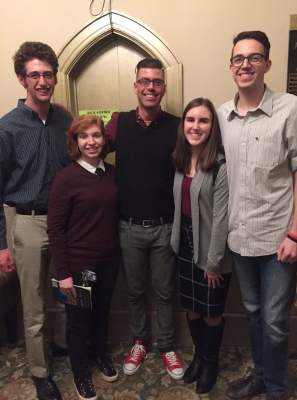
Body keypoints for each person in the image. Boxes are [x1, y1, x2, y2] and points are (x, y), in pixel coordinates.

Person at [217, 31, 297, 400]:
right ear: (231, 66)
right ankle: (261, 376)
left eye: (254, 58)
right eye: (238, 58)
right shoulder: (222, 115)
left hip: (279, 239)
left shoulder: (291, 108)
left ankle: (278, 390)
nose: (245, 64)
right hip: (240, 237)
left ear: (267, 64)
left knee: (275, 323)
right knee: (253, 313)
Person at [0, 41, 73, 400]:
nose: (42, 81)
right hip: (27, 225)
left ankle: (60, 347)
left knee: (65, 295)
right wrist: (1, 245)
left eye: (47, 74)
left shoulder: (65, 121)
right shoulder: (8, 127)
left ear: (54, 78)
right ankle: (40, 373)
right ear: (21, 79)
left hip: (65, 224)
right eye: (34, 75)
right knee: (34, 304)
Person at [105, 58, 184, 380]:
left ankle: (166, 345)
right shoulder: (117, 122)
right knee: (135, 291)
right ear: (135, 86)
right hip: (128, 227)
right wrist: (63, 117)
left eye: (157, 82)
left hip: (166, 226)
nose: (151, 87)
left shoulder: (178, 125)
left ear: (164, 88)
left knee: (165, 292)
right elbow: (89, 144)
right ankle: (140, 341)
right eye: (145, 81)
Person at [47, 115, 120, 400]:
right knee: (78, 320)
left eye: (96, 135)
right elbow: (55, 229)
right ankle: (80, 373)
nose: (91, 142)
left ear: (104, 139)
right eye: (84, 137)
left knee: (102, 313)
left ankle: (100, 355)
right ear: (75, 142)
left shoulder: (111, 172)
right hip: (78, 266)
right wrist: (64, 272)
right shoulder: (65, 179)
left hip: (109, 261)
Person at [171, 98, 233, 394]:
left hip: (211, 248)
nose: (196, 126)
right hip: (183, 243)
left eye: (203, 120)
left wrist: (214, 262)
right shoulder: (181, 161)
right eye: (191, 119)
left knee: (210, 312)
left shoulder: (219, 164)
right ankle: (198, 355)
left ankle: (210, 362)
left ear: (212, 127)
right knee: (193, 309)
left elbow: (221, 219)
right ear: (183, 124)